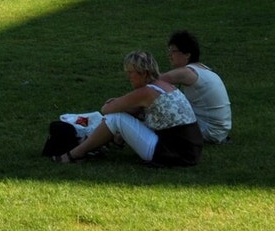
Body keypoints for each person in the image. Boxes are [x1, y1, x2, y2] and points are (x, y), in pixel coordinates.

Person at [52, 51, 203, 167]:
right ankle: (100, 144)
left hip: (171, 152)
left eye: (131, 72)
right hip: (188, 150)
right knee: (125, 116)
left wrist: (115, 102)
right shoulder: (164, 86)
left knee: (115, 118)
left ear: (143, 73)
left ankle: (76, 153)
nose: (128, 76)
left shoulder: (146, 92)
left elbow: (106, 109)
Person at [159, 30, 232, 143]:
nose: (169, 54)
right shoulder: (205, 70)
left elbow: (156, 80)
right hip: (220, 130)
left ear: (187, 54)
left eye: (173, 51)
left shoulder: (188, 73)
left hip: (209, 131)